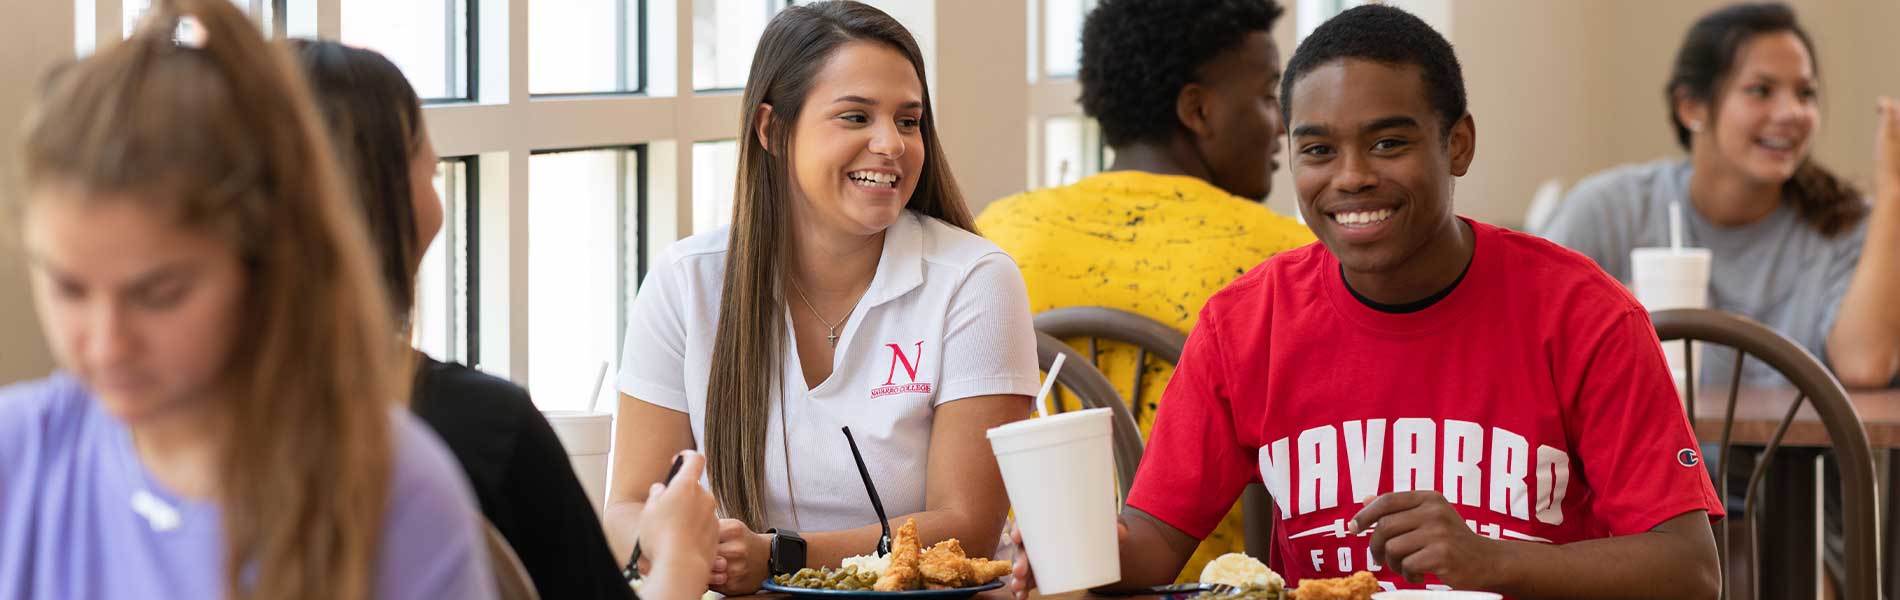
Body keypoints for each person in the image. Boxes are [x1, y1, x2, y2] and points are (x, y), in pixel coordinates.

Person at [1011, 5, 1722, 597]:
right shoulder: (1244, 323)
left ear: (1459, 144)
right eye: (1317, 151)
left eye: (1388, 143)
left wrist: (1492, 562)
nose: (1350, 178)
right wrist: (1063, 549)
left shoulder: (1584, 314)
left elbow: (1690, 569)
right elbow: (1156, 544)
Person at [0, 1, 494, 598]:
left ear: (266, 266)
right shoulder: (20, 456)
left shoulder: (396, 495)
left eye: (160, 294)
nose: (106, 344)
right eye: (69, 288)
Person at [607, 1, 1039, 594]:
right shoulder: (688, 280)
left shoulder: (974, 277)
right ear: (772, 130)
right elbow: (628, 506)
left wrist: (779, 557)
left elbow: (966, 524)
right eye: (856, 117)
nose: (891, 143)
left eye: (908, 121)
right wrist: (689, 551)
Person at [976, 0, 1313, 579]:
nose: (1281, 124)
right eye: (1265, 97)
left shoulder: (995, 237)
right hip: (1210, 582)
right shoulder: (1288, 265)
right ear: (1198, 110)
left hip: (1028, 578)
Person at [292, 39, 636, 600]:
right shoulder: (483, 430)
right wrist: (676, 564)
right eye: (426, 171)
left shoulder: (162, 435)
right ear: (393, 205)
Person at [1540, 2, 1900, 390]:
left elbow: (1864, 365)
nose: (1791, 112)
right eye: (1761, 90)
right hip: (1643, 452)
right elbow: (1527, 341)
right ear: (1691, 106)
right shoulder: (1609, 213)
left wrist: (1893, 187)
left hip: (1800, 455)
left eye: (1805, 93)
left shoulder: (1844, 224)